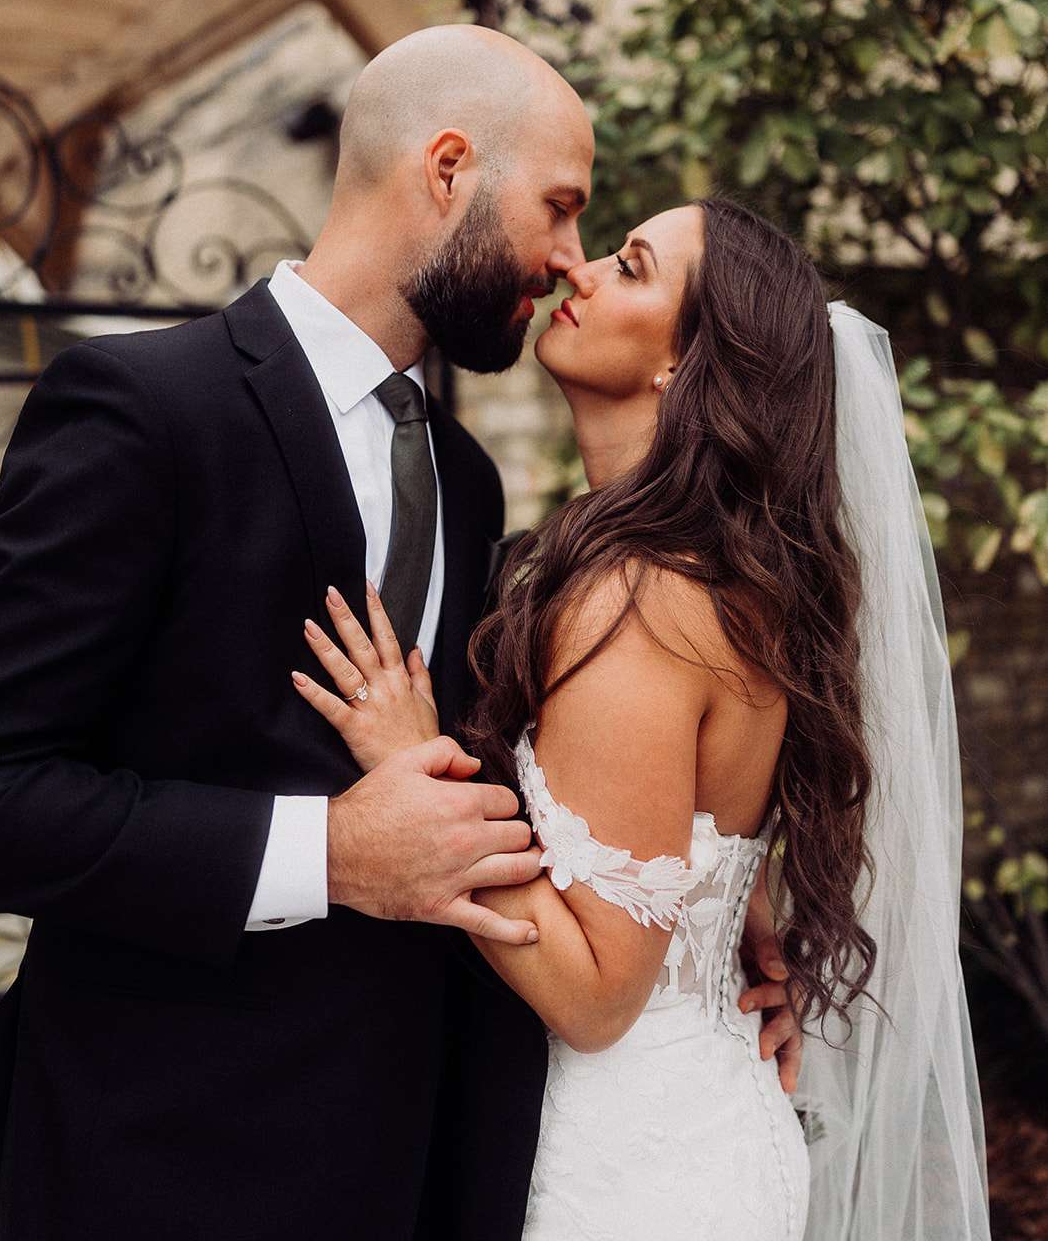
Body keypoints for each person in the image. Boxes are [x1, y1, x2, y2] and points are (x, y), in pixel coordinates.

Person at [0, 29, 795, 1240]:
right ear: (449, 169)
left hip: (419, 1158)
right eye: (561, 208)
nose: (569, 258)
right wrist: (329, 853)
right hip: (157, 1156)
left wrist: (703, 914)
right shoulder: (147, 411)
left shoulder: (466, 482)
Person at [297, 196, 991, 1240]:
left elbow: (594, 997)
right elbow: (684, 851)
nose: (577, 273)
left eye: (627, 266)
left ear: (684, 362)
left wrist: (417, 764)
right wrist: (732, 936)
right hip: (698, 1114)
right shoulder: (713, 578)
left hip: (625, 1167)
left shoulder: (638, 598)